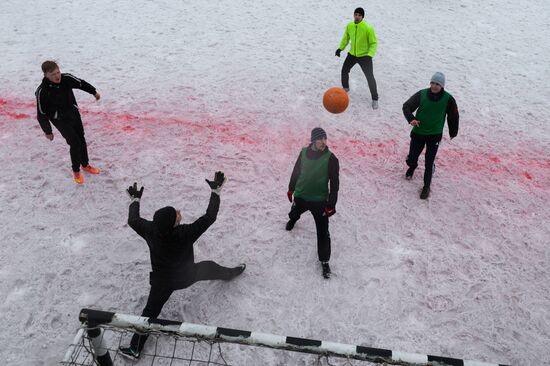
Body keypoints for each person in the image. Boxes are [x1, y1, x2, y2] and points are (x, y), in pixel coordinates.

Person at [119, 172, 246, 359]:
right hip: (187, 276)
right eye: (176, 215)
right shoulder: (185, 233)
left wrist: (135, 200)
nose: (179, 212)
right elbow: (209, 217)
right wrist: (216, 192)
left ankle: (135, 348)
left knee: (149, 313)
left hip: (162, 281)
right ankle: (232, 273)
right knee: (210, 267)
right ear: (174, 224)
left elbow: (133, 220)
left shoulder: (151, 230)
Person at [35, 61, 101, 184]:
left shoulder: (66, 79)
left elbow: (81, 83)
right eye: (53, 74)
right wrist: (47, 131)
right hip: (59, 120)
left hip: (73, 114)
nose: (57, 76)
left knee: (81, 139)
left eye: (58, 72)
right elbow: (41, 114)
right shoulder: (42, 91)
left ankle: (85, 165)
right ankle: (76, 171)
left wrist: (94, 92)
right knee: (75, 143)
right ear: (45, 75)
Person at [286, 128, 339, 279]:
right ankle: (292, 219)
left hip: (319, 201)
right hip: (301, 195)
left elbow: (335, 184)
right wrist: (291, 189)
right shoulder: (303, 153)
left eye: (325, 138)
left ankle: (324, 261)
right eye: (320, 139)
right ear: (313, 140)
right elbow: (296, 171)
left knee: (323, 232)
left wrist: (331, 204)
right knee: (295, 213)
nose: (323, 142)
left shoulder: (331, 159)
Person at [402, 72, 459, 199]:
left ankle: (426, 187)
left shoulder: (448, 99)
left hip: (434, 135)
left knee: (429, 161)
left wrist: (453, 132)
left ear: (442, 86)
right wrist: (411, 119)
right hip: (418, 133)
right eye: (432, 83)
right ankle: (412, 166)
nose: (434, 86)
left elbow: (453, 115)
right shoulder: (422, 94)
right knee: (412, 158)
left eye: (437, 84)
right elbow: (406, 106)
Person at [335, 7, 379, 109]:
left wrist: (370, 54)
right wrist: (340, 49)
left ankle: (375, 99)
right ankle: (345, 89)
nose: (357, 17)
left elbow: (373, 43)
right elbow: (345, 38)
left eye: (359, 15)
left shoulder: (368, 28)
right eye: (356, 14)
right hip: (352, 55)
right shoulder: (349, 26)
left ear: (362, 17)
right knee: (344, 70)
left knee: (370, 77)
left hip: (365, 56)